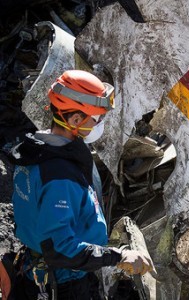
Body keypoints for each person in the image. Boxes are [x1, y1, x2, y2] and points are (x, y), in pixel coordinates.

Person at [8, 70, 154, 299]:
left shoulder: (36, 151)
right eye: (97, 119)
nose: (101, 123)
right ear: (75, 120)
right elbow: (60, 249)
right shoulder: (59, 176)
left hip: (39, 268)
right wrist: (119, 257)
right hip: (65, 284)